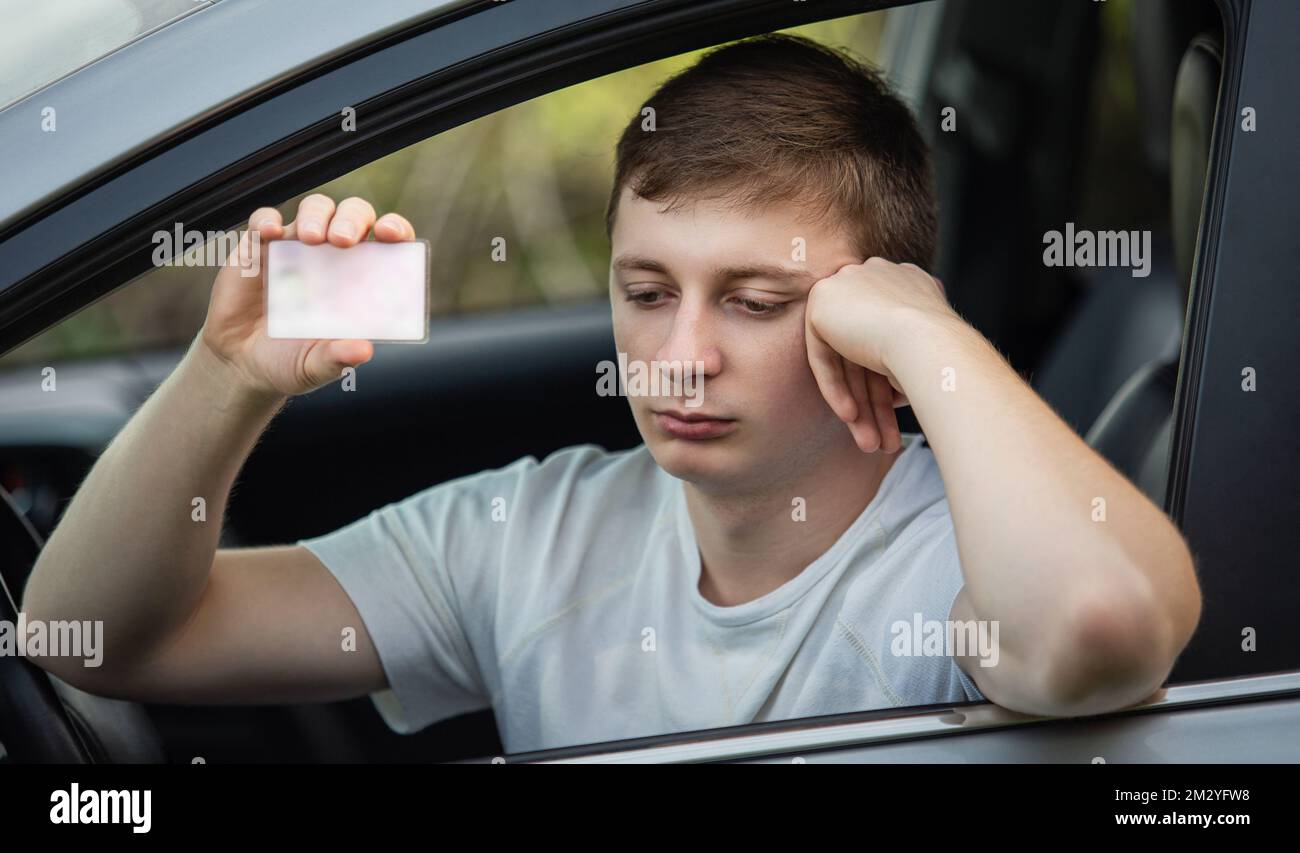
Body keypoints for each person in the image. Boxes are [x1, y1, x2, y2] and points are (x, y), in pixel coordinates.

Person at [23, 34, 1201, 754]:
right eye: (645, 290)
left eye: (753, 300)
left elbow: (1093, 632)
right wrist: (226, 376)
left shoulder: (961, 557)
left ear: (872, 310)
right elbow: (98, 637)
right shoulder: (525, 538)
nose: (678, 353)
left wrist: (928, 340)